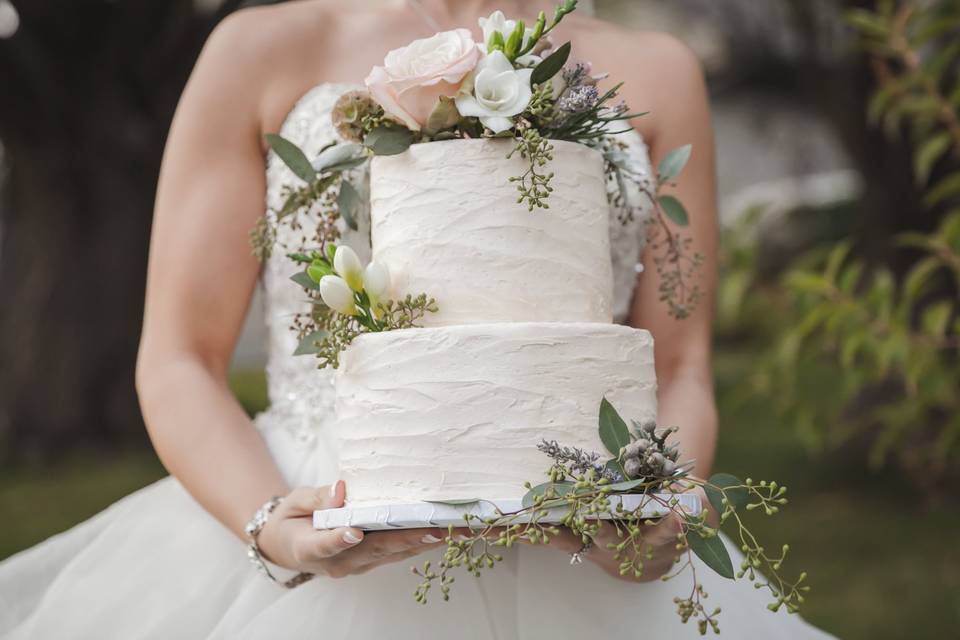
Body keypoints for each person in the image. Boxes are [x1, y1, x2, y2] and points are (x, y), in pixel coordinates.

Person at [0, 1, 834, 637]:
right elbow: (179, 356)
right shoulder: (258, 49)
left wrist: (664, 510)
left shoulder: (657, 71)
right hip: (316, 501)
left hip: (581, 514)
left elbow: (681, 364)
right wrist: (270, 526)